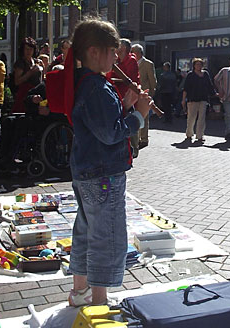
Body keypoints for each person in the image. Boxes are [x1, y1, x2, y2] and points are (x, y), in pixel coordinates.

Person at [68, 18, 152, 307]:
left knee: (86, 230)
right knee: (107, 235)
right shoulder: (97, 87)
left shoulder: (87, 82)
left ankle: (80, 292)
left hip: (86, 170)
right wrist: (139, 114)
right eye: (113, 51)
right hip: (104, 173)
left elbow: (98, 124)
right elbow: (111, 133)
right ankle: (100, 300)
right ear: (94, 51)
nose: (118, 57)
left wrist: (126, 104)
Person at [106, 38, 140, 157]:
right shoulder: (118, 61)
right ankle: (126, 146)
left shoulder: (131, 60)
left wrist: (113, 80)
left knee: (130, 117)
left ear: (124, 48)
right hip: (119, 95)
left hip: (128, 95)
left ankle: (134, 148)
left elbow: (130, 79)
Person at [181, 58, 216, 143]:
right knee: (191, 118)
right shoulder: (190, 75)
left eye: (200, 64)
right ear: (194, 66)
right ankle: (189, 134)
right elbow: (186, 88)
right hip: (192, 99)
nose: (199, 66)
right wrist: (183, 100)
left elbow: (209, 86)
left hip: (203, 99)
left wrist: (215, 94)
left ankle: (200, 135)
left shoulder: (205, 74)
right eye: (197, 64)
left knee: (202, 118)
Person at [130, 44, 156, 149]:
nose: (131, 54)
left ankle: (144, 139)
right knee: (135, 114)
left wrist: (151, 94)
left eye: (133, 52)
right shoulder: (131, 62)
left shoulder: (148, 64)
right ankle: (136, 138)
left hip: (144, 93)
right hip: (133, 94)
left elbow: (153, 81)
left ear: (139, 53)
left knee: (144, 117)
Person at [11, 37, 42, 113]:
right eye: (26, 49)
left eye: (31, 49)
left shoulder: (36, 61)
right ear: (23, 50)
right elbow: (17, 81)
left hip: (37, 92)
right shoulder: (20, 63)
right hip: (25, 94)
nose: (29, 51)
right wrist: (30, 72)